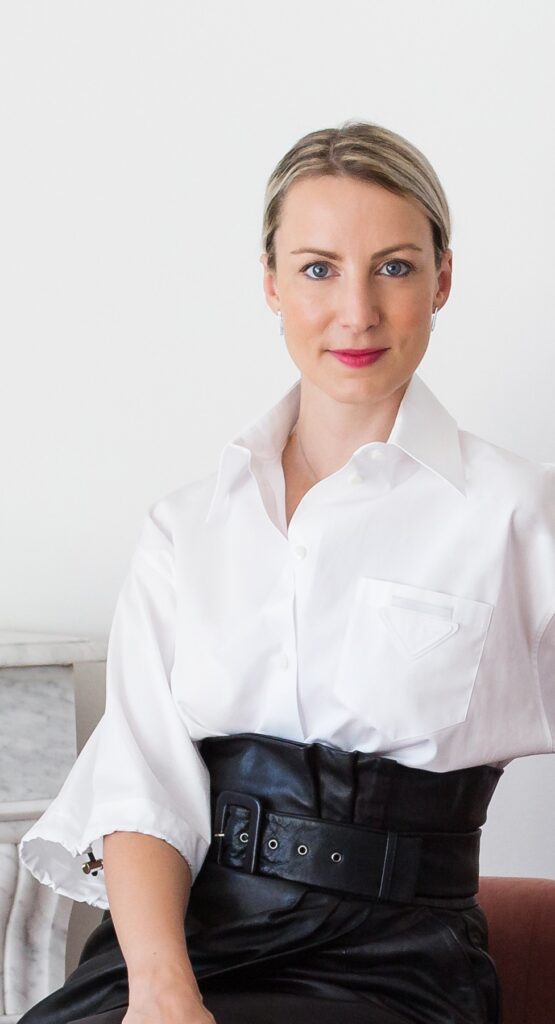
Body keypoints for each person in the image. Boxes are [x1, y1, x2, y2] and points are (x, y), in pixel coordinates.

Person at [17, 120, 555, 1024]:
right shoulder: (185, 530)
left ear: (441, 278)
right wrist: (161, 992)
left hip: (390, 966)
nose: (356, 311)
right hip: (178, 953)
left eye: (393, 267)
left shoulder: (518, 514)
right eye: (317, 269)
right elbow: (141, 786)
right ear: (270, 282)